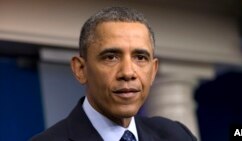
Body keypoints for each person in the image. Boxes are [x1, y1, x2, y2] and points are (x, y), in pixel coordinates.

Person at [30, 7, 197, 141]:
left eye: (140, 57)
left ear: (153, 71)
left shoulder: (177, 135)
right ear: (80, 70)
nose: (128, 73)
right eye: (110, 57)